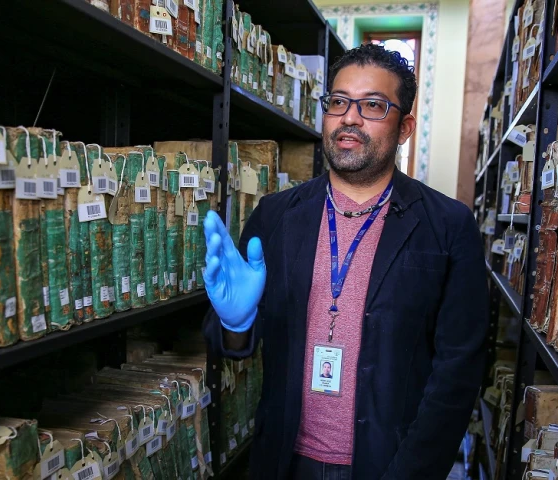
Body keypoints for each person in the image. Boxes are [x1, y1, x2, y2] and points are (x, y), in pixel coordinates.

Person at [202, 43, 489, 480]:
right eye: (338, 101)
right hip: (283, 461)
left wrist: (410, 471)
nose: (349, 118)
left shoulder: (447, 225)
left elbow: (459, 371)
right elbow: (232, 345)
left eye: (373, 105)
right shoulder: (275, 215)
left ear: (405, 126)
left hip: (389, 465)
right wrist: (236, 326)